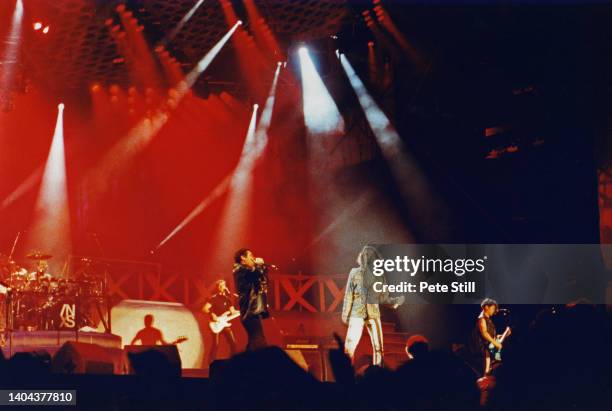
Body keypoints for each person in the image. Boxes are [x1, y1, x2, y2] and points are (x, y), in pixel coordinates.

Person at [341, 245, 402, 367]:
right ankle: (347, 376)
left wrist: (394, 302)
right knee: (350, 347)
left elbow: (383, 297)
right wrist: (345, 314)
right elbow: (349, 294)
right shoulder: (354, 273)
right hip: (357, 314)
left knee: (378, 347)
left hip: (373, 314)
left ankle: (378, 375)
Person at [233, 248, 270, 351]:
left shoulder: (248, 270)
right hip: (249, 311)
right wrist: (258, 265)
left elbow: (262, 279)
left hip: (253, 310)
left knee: (254, 342)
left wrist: (262, 268)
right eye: (251, 256)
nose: (253, 258)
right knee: (259, 341)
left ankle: (245, 365)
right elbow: (255, 273)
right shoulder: (240, 270)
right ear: (243, 258)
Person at [470, 298, 510, 376]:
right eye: (493, 308)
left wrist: (500, 336)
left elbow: (490, 334)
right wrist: (495, 342)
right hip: (484, 350)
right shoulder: (482, 318)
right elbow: (484, 333)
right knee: (486, 372)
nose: (494, 310)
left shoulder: (488, 320)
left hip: (489, 348)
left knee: (491, 370)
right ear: (486, 307)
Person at [203, 279, 238, 364]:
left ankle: (232, 363)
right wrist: (211, 314)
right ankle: (210, 364)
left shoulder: (228, 299)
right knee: (215, 345)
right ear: (217, 288)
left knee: (233, 344)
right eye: (221, 285)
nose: (222, 287)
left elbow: (233, 312)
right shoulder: (214, 298)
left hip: (225, 324)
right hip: (216, 324)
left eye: (223, 285)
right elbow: (204, 309)